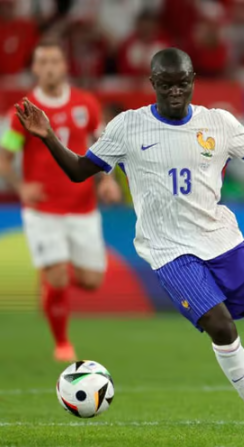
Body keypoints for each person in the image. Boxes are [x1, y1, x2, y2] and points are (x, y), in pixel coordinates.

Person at [12, 47, 244, 441]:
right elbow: (78, 170)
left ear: (192, 81)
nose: (175, 91)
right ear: (153, 83)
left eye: (182, 83)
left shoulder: (218, 122)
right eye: (166, 84)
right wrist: (48, 136)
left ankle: (220, 304)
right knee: (220, 325)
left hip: (221, 239)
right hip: (169, 249)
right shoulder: (128, 127)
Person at [0, 41, 121, 363]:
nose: (50, 67)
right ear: (35, 69)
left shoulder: (87, 104)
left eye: (55, 61)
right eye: (43, 62)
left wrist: (107, 181)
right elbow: (4, 158)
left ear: (65, 66)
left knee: (91, 280)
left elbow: (103, 147)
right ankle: (62, 343)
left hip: (82, 207)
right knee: (56, 276)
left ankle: (52, 280)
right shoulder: (23, 112)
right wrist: (21, 186)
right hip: (43, 209)